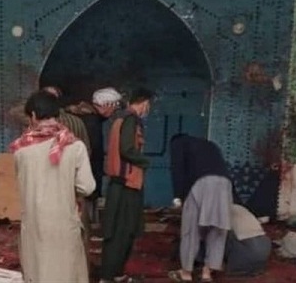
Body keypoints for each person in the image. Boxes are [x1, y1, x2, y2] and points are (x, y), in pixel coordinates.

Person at [10, 91, 95, 283]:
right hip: (64, 223)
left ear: (33, 116)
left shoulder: (21, 150)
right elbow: (87, 187)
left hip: (34, 225)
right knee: (66, 273)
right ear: (57, 114)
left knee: (38, 272)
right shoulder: (75, 146)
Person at [100, 88, 154, 283]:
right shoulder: (131, 119)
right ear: (144, 102)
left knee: (119, 231)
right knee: (122, 232)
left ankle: (115, 273)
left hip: (121, 184)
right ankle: (110, 275)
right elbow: (127, 149)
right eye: (148, 105)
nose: (148, 109)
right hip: (126, 185)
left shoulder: (120, 118)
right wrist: (145, 162)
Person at [168, 134, 233, 283]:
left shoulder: (177, 143)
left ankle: (186, 273)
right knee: (217, 228)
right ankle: (207, 273)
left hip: (201, 183)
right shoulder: (210, 144)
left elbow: (177, 168)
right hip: (224, 183)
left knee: (191, 229)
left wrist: (178, 197)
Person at [67, 87, 123, 221]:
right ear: (105, 105)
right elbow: (93, 151)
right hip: (87, 174)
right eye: (113, 106)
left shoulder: (85, 118)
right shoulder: (92, 122)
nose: (114, 111)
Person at [224, 204, 271, 276]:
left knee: (217, 235)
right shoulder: (238, 207)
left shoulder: (221, 211)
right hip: (264, 247)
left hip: (249, 249)